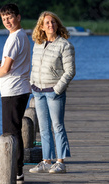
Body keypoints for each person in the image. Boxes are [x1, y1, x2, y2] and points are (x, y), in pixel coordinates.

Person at [0, 3, 31, 184]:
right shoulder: (21, 36)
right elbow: (9, 62)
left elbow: (7, 68)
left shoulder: (14, 38)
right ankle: (17, 170)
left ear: (18, 17)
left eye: (10, 17)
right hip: (20, 89)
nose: (7, 21)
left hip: (13, 90)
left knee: (10, 133)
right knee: (14, 131)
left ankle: (16, 172)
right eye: (4, 19)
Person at [29, 11, 75, 174]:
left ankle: (60, 162)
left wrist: (57, 89)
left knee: (57, 126)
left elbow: (70, 71)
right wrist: (32, 84)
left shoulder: (65, 45)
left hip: (54, 92)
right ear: (41, 26)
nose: (50, 25)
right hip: (38, 91)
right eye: (47, 23)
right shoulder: (38, 43)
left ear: (57, 25)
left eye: (53, 22)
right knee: (43, 127)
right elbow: (34, 67)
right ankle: (46, 161)